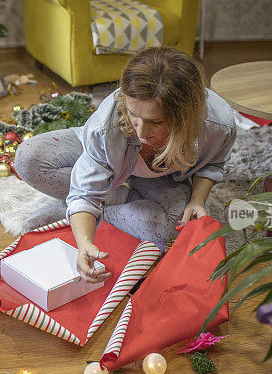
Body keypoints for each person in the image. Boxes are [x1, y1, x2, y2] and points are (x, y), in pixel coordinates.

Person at [14, 46, 236, 284]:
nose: (141, 132)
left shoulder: (218, 126)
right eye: (133, 115)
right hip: (110, 153)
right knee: (28, 160)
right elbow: (85, 192)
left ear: (186, 117)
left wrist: (197, 200)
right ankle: (104, 200)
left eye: (156, 122)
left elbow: (212, 164)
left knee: (170, 227)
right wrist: (85, 243)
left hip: (165, 180)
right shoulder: (105, 125)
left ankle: (96, 210)